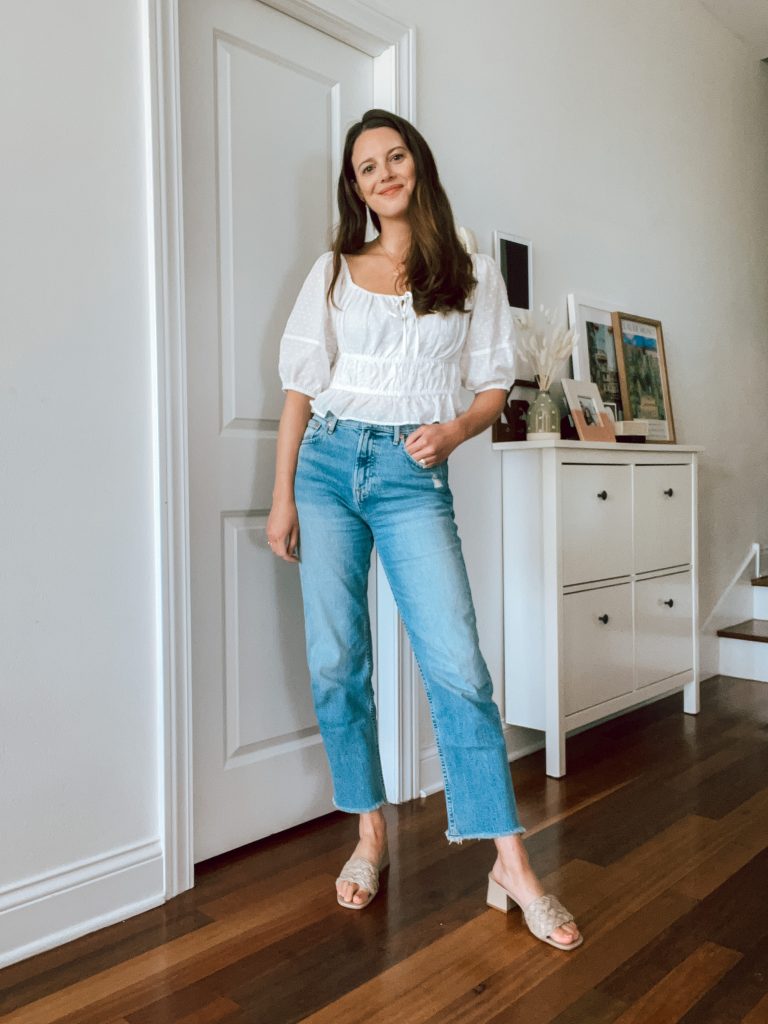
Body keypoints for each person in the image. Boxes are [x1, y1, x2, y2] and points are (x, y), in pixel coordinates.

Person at [267, 109, 582, 951]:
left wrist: (451, 433)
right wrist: (282, 496)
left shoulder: (470, 272)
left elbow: (491, 386)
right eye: (366, 167)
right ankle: (370, 837)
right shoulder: (334, 269)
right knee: (338, 661)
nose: (383, 174)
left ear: (418, 164)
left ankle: (509, 863)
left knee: (458, 666)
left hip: (413, 477)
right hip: (328, 467)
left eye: (394, 157)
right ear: (356, 187)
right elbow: (301, 387)